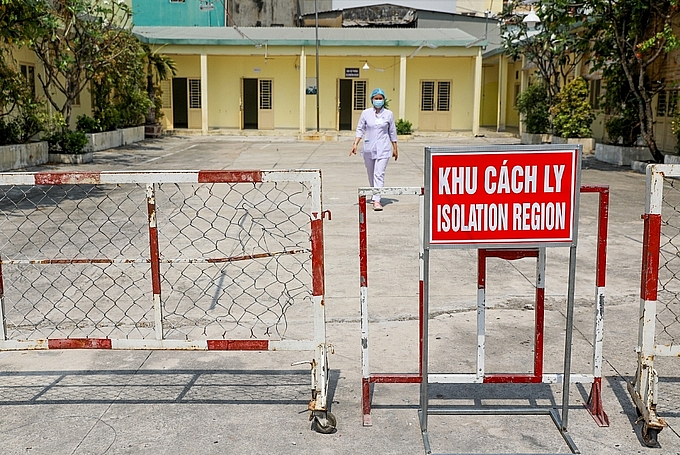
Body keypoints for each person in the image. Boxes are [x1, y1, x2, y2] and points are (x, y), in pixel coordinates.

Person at [349, 87, 398, 211]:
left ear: (384, 100)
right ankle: (374, 192)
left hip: (384, 149)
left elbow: (392, 131)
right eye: (376, 98)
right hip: (368, 148)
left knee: (379, 174)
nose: (378, 100)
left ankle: (377, 200)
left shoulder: (389, 114)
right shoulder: (366, 113)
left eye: (380, 98)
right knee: (371, 173)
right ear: (372, 99)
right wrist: (355, 144)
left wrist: (395, 148)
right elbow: (360, 129)